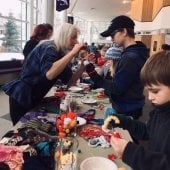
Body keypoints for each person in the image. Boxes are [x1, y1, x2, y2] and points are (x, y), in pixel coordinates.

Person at [2, 23, 86, 125]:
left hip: (34, 96)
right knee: (23, 130)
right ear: (64, 36)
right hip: (22, 96)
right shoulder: (49, 47)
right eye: (73, 38)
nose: (76, 42)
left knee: (33, 129)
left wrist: (83, 65)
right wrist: (72, 53)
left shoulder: (60, 53)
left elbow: (70, 82)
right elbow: (50, 74)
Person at [106, 51, 170, 170]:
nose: (149, 97)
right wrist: (123, 121)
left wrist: (131, 153)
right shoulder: (158, 111)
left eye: (155, 91)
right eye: (148, 91)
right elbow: (147, 132)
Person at [85, 15, 148, 119]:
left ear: (124, 32)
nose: (112, 39)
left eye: (113, 35)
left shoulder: (130, 57)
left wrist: (92, 73)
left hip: (127, 109)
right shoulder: (137, 52)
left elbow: (117, 88)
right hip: (132, 105)